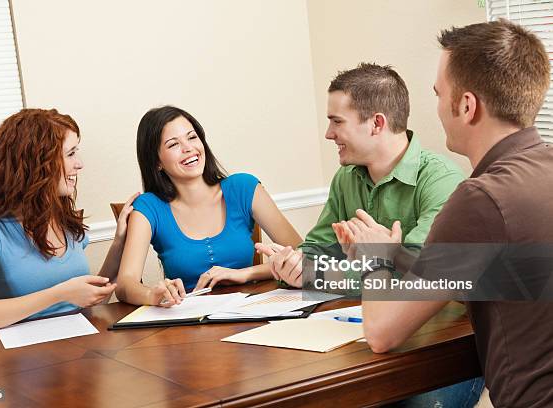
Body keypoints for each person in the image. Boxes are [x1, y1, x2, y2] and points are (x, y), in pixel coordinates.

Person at [338, 20, 552, 407]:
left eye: (439, 94)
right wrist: (398, 255)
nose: (435, 107)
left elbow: (382, 334)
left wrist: (375, 260)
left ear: (467, 106)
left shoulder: (481, 199)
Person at [256, 63, 482, 407]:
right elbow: (316, 252)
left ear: (377, 123)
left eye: (337, 121)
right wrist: (294, 266)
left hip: (442, 351)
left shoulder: (442, 181)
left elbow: (416, 277)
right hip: (361, 340)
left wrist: (322, 273)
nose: (329, 134)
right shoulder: (346, 179)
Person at [0, 108, 143, 337]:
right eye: (70, 153)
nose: (80, 164)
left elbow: (88, 301)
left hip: (77, 353)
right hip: (14, 363)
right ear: (36, 163)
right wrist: (59, 294)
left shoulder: (62, 218)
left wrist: (119, 243)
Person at [115, 105, 302, 306]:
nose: (188, 148)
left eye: (192, 137)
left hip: (251, 314)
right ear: (156, 162)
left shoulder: (244, 188)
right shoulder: (149, 207)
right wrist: (152, 294)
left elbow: (303, 256)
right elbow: (125, 284)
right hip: (187, 325)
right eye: (173, 144)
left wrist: (244, 274)